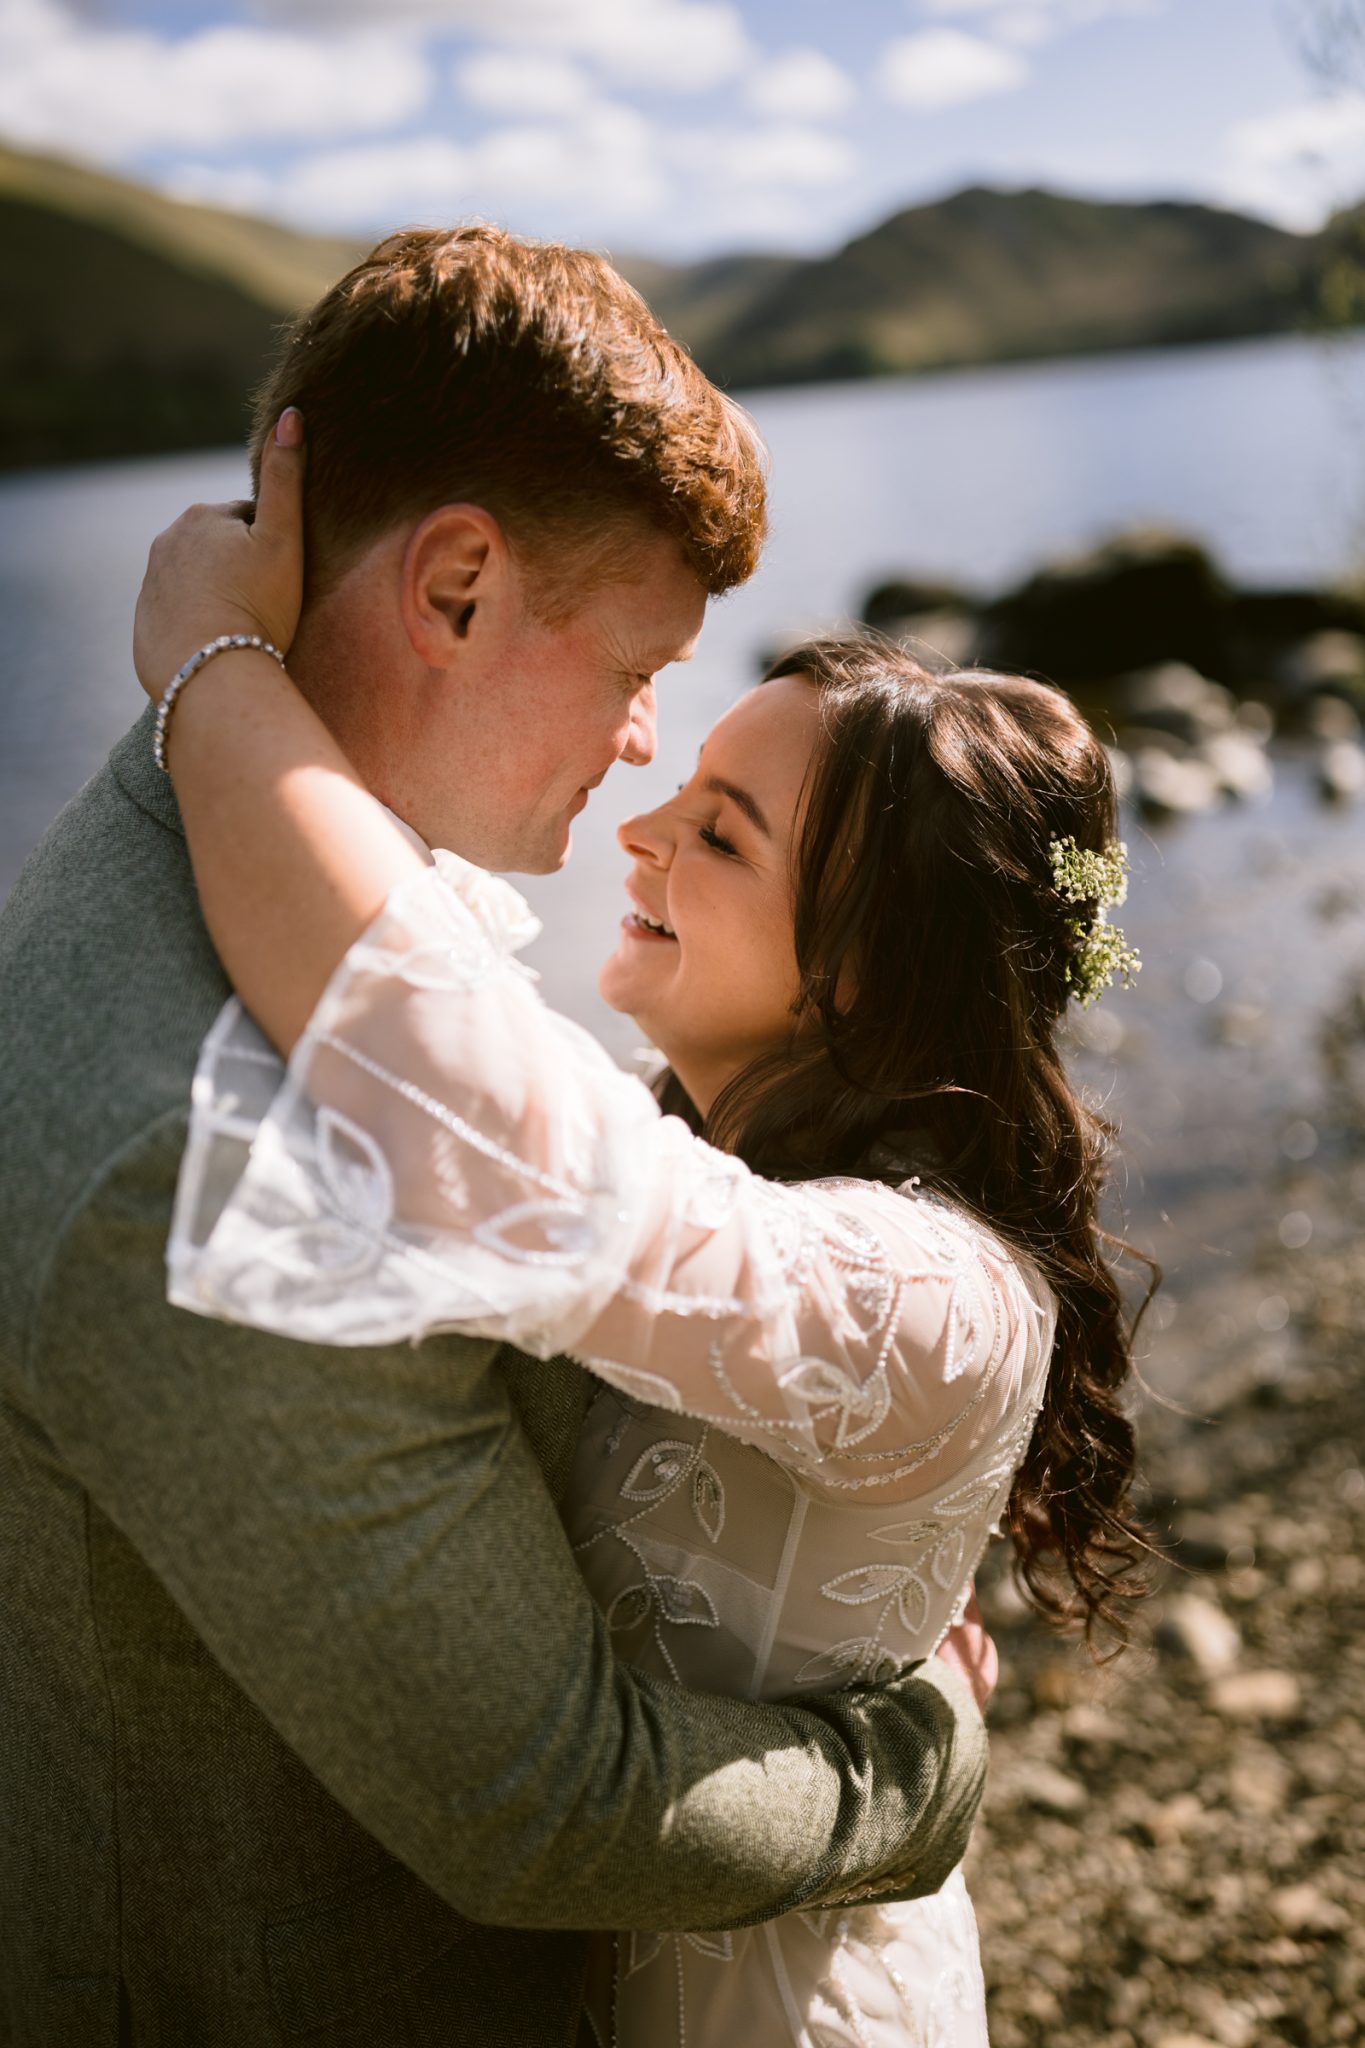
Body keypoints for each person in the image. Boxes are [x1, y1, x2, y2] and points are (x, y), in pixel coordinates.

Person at [0, 227, 994, 2047]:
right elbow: (546, 1806)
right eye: (637, 668)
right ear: (454, 589)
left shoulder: (205, 846)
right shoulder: (223, 1158)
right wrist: (913, 1758)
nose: (641, 752)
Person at [128, 415, 1151, 2046]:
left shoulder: (932, 1298)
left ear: (869, 971)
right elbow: (448, 1055)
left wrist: (209, 667)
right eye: (676, 789)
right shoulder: (685, 1135)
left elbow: (447, 1102)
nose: (637, 832)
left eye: (722, 833)